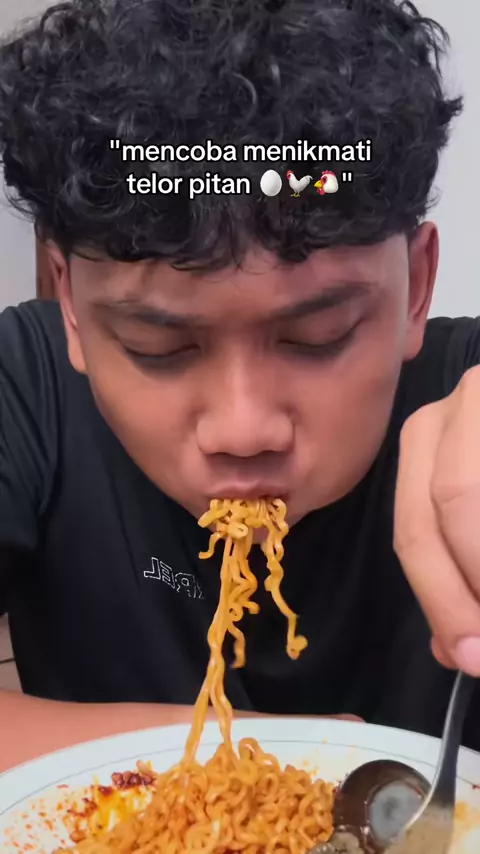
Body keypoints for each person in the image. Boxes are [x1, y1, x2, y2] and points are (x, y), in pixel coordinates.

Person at [0, 0, 479, 772]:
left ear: (417, 287)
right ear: (73, 308)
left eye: (318, 337)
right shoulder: (23, 381)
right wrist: (278, 765)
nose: (243, 428)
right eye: (157, 346)